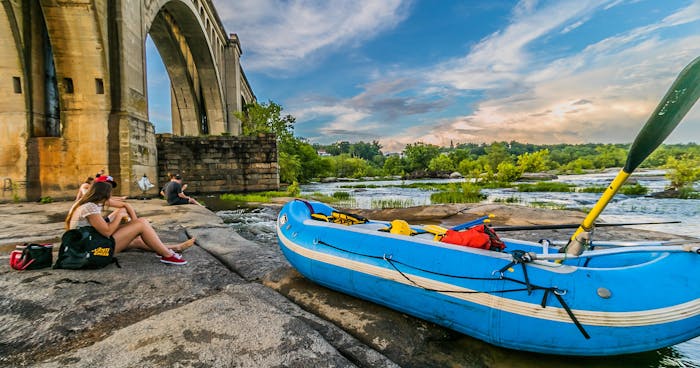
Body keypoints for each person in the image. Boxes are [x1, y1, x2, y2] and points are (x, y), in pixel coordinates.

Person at [65, 181, 195, 265]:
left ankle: (173, 248)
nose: (110, 197)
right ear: (103, 194)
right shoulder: (89, 207)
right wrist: (121, 217)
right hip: (93, 251)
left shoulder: (86, 202)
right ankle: (167, 255)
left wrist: (130, 221)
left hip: (84, 245)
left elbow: (123, 205)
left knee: (135, 240)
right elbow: (107, 232)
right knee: (142, 223)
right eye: (109, 194)